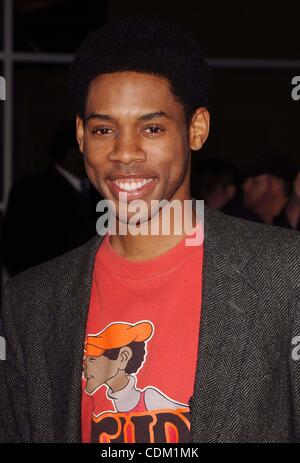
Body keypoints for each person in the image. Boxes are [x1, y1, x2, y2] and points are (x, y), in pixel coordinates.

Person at [0, 17, 300, 444]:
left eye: (152, 128)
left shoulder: (285, 273)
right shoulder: (29, 304)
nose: (124, 153)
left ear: (196, 129)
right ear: (82, 136)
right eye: (104, 129)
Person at [1, 119, 102, 275]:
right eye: (85, 150)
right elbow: (15, 246)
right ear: (70, 155)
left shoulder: (100, 188)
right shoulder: (32, 190)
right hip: (48, 284)